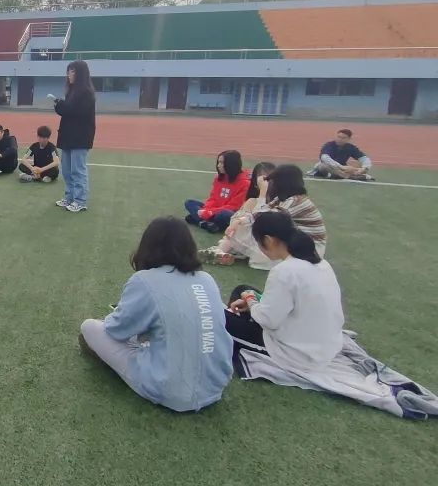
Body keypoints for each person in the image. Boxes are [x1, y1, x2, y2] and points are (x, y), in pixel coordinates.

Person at [79, 217, 234, 413]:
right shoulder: (206, 280)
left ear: (147, 246)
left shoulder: (144, 280)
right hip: (215, 385)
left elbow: (116, 330)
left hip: (168, 390)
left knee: (89, 327)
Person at [224, 211, 344, 373]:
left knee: (215, 318)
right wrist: (251, 301)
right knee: (242, 290)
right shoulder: (322, 264)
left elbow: (268, 320)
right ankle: (240, 322)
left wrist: (251, 300)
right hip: (323, 346)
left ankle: (230, 337)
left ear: (268, 240)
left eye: (258, 242)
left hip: (294, 354)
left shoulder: (285, 271)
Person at [201, 164, 327, 269]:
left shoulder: (296, 201)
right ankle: (223, 251)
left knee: (251, 232)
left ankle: (223, 250)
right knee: (242, 227)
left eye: (273, 180)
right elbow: (256, 216)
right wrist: (238, 221)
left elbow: (262, 218)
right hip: (294, 244)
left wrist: (262, 193)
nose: (271, 183)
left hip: (307, 251)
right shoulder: (285, 198)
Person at [52, 60, 96, 213]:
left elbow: (76, 112)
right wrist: (59, 105)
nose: (69, 74)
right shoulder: (71, 92)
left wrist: (61, 105)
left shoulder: (86, 93)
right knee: (66, 170)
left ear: (80, 74)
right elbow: (68, 111)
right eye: (68, 71)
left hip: (80, 137)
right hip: (68, 136)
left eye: (72, 71)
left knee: (78, 170)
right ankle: (69, 197)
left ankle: (80, 200)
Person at [184, 150, 250, 232]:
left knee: (225, 214)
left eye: (222, 163)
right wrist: (206, 210)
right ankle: (207, 224)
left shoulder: (245, 183)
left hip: (228, 213)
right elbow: (213, 198)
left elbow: (233, 206)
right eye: (218, 162)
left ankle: (199, 220)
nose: (218, 166)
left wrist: (210, 212)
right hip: (213, 210)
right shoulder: (219, 178)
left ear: (231, 164)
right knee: (189, 202)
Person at [308, 128, 375, 181]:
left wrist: (364, 168)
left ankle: (338, 175)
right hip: (329, 168)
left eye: (343, 138)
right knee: (323, 166)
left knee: (360, 168)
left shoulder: (351, 148)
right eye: (338, 137)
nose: (340, 139)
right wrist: (341, 167)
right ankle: (349, 176)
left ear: (349, 139)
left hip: (342, 169)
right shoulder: (329, 145)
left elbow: (364, 158)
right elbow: (324, 158)